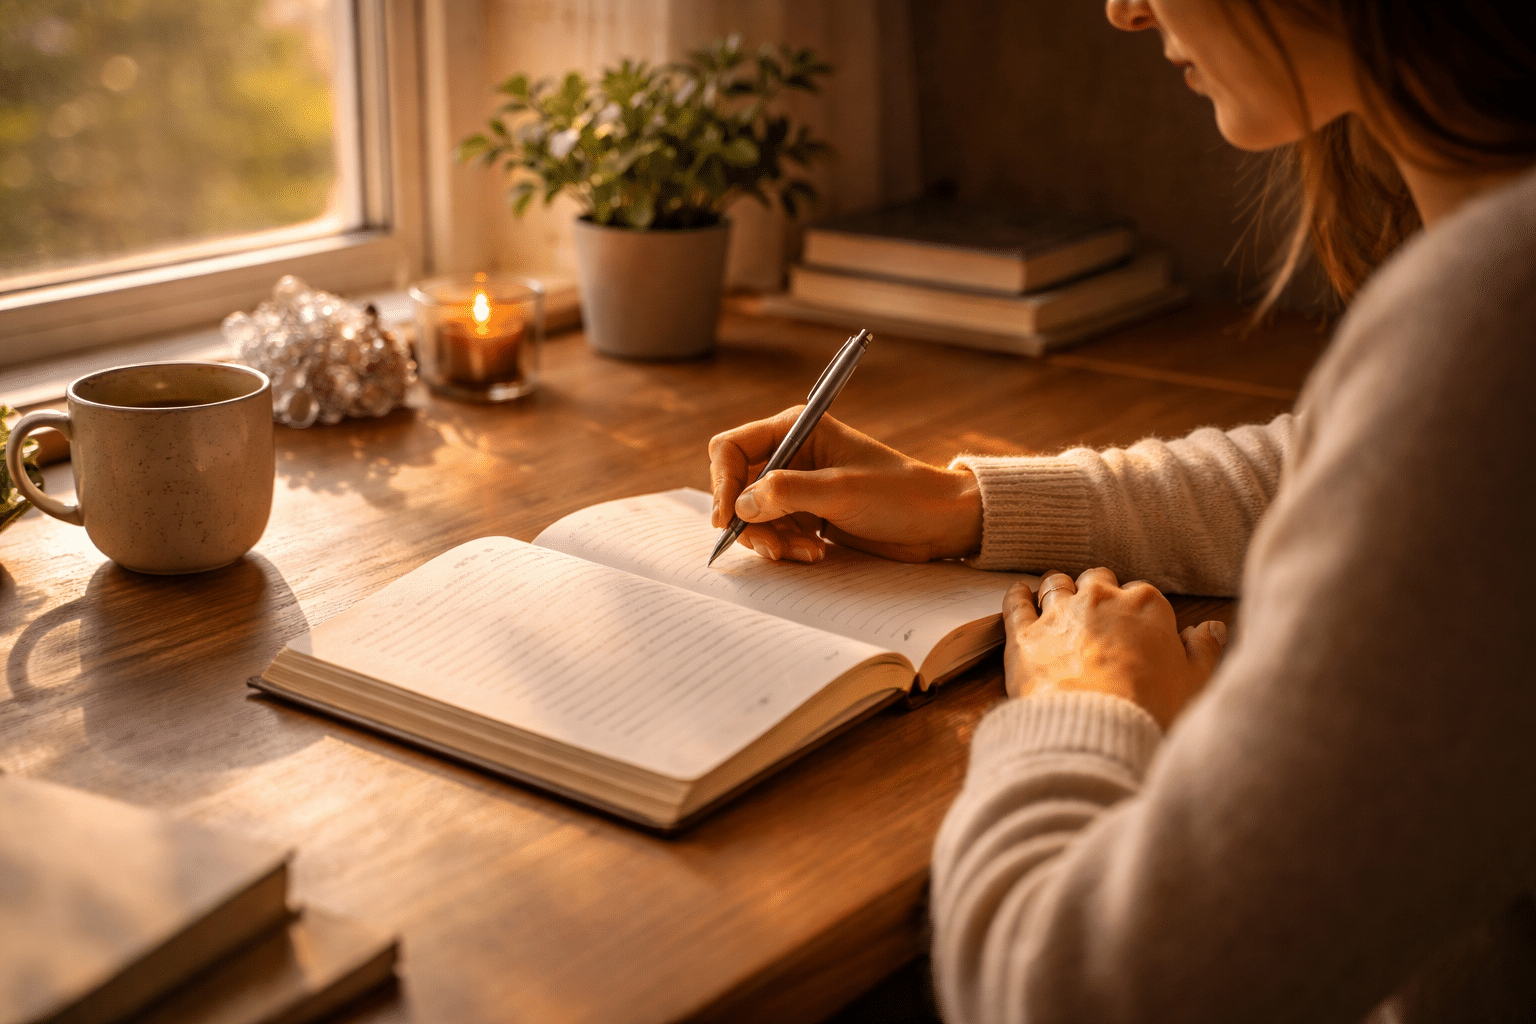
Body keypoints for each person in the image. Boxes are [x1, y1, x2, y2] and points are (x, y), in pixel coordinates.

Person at [706, 0, 1536, 1020]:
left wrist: (1084, 706)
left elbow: (1057, 992)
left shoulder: (1497, 324)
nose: (1124, 9)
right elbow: (1334, 460)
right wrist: (966, 502)